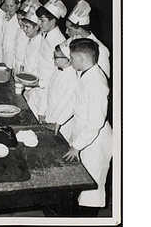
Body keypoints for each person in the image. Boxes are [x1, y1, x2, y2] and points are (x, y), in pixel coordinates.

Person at [58, 38, 113, 216]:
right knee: (81, 189)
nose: (70, 61)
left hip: (94, 143)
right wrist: (60, 120)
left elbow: (96, 122)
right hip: (85, 138)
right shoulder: (84, 74)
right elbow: (76, 102)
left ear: (81, 58)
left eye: (72, 58)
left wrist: (76, 146)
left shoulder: (96, 83)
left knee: (91, 193)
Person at [24, 0, 67, 114]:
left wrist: (39, 83)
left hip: (47, 91)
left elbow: (58, 74)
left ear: (53, 21)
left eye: (42, 20)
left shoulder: (59, 42)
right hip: (37, 88)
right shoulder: (45, 34)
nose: (39, 24)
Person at [65, 0, 110, 79]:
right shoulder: (74, 40)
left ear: (79, 30)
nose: (66, 32)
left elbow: (103, 79)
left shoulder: (100, 49)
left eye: (68, 28)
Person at [37, 38, 77, 124]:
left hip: (59, 123)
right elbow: (46, 91)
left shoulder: (72, 79)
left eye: (55, 57)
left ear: (66, 60)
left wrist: (51, 121)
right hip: (47, 117)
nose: (52, 58)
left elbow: (63, 104)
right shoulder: (57, 70)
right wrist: (41, 112)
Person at [13, 0, 40, 75]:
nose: (20, 23)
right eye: (18, 19)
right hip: (18, 67)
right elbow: (15, 49)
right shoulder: (19, 31)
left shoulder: (33, 35)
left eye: (22, 19)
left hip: (27, 71)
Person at [2, 0, 26, 68]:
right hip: (5, 51)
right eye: (6, 6)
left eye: (11, 6)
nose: (8, 9)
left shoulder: (20, 20)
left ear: (18, 5)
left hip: (14, 53)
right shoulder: (4, 17)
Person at [20, 3, 42, 76]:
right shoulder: (30, 38)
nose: (24, 29)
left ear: (36, 27)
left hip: (32, 78)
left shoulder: (40, 42)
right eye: (23, 26)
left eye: (27, 27)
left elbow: (35, 66)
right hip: (25, 75)